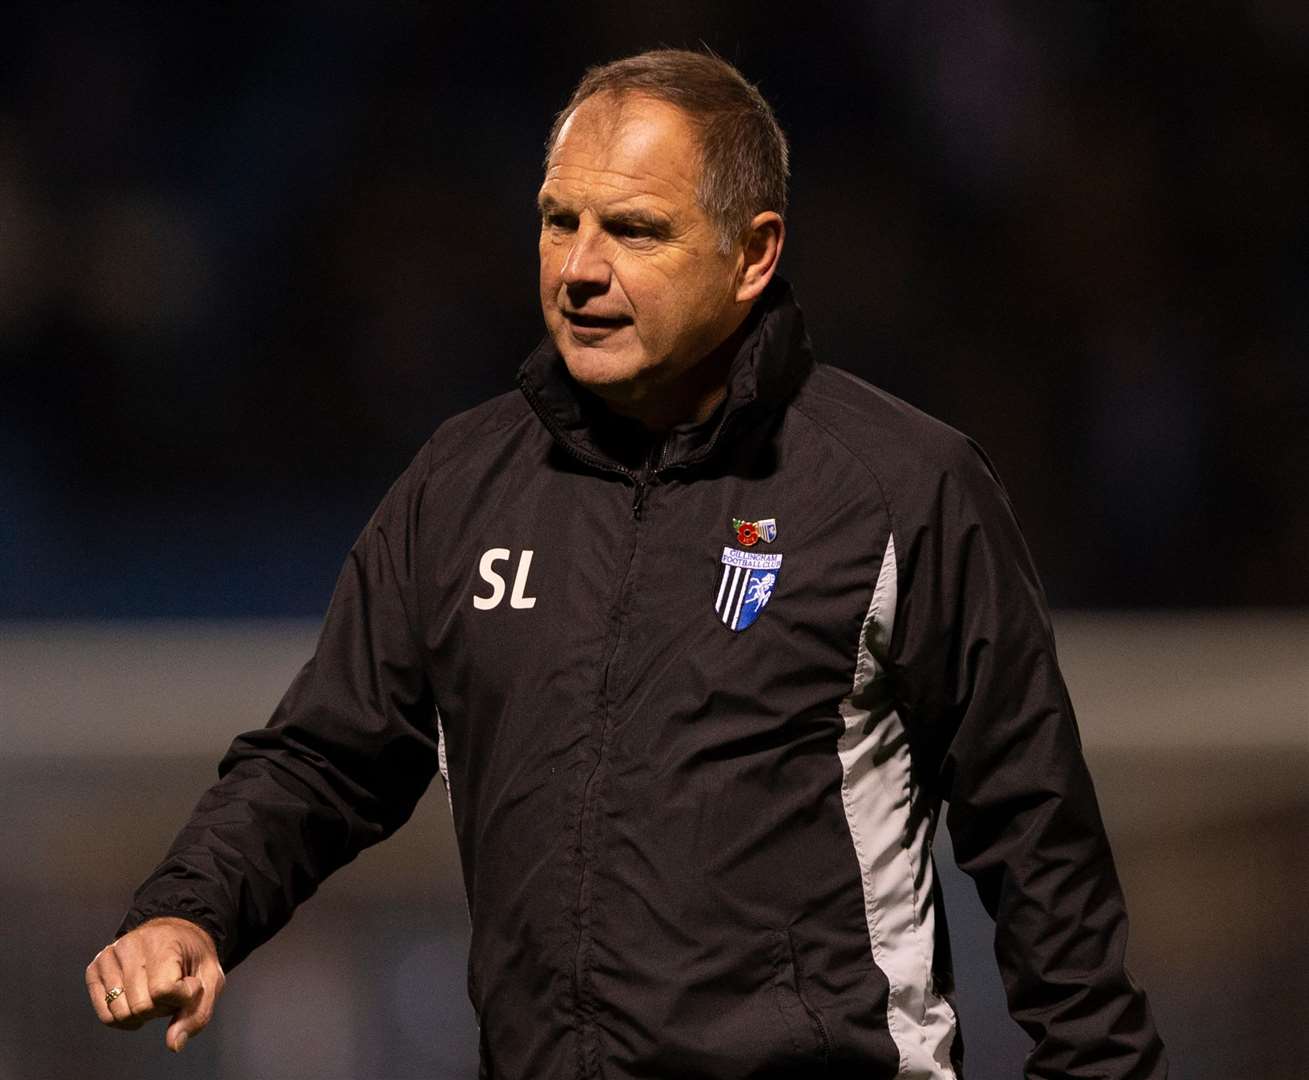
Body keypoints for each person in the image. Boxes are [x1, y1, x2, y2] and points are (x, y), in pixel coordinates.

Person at [85, 49, 1167, 1078]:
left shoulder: (903, 488)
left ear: (753, 254)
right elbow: (321, 759)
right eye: (560, 222)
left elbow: (1037, 840)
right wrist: (192, 905)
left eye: (635, 230)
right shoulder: (459, 485)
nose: (582, 269)